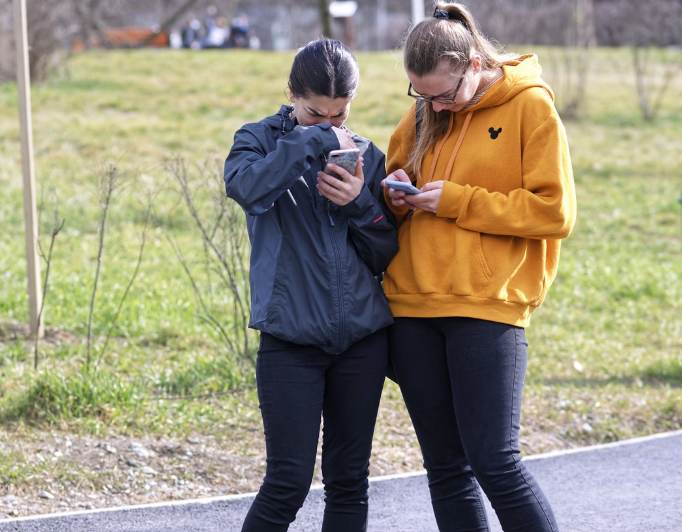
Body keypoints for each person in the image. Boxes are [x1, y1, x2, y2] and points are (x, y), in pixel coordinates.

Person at [381, 3, 576, 532]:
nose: (434, 106)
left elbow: (554, 212)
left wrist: (457, 200)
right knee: (445, 469)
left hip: (488, 307)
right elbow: (397, 177)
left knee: (496, 463)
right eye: (421, 95)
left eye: (444, 95)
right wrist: (393, 195)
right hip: (411, 306)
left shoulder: (530, 105)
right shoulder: (425, 111)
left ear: (472, 64)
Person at [224, 39, 398, 532]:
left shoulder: (366, 154)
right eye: (315, 113)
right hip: (290, 340)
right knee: (287, 483)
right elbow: (247, 189)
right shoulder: (257, 140)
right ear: (291, 94)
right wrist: (309, 142)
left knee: (350, 483)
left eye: (339, 115)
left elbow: (385, 251)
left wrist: (359, 204)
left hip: (362, 341)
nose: (329, 124)